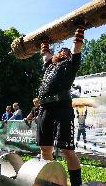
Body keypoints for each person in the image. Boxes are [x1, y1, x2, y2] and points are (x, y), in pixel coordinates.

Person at [36, 25, 85, 186]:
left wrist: (79, 30)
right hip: (44, 110)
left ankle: (76, 184)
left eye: (67, 51)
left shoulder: (71, 65)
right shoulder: (49, 65)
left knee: (67, 151)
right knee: (45, 150)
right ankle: (50, 181)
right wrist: (44, 44)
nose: (64, 51)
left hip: (62, 109)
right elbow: (45, 54)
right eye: (61, 50)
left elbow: (76, 47)